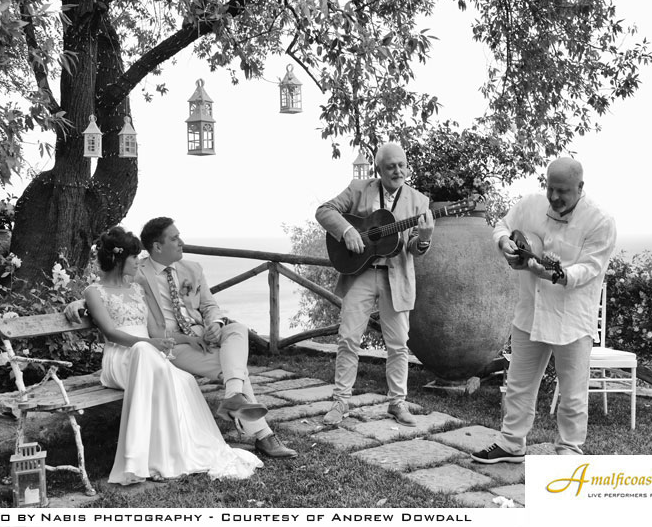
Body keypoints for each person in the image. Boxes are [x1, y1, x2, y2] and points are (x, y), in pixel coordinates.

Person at [66, 217, 297, 459]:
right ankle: (261, 433)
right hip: (172, 344)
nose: (181, 242)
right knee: (235, 370)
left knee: (237, 329)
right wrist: (80, 302)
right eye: (174, 239)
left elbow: (210, 306)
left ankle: (233, 397)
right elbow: (111, 290)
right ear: (157, 247)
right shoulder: (138, 271)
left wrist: (215, 325)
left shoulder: (193, 269)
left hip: (202, 337)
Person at [83, 226, 263, 484]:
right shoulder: (94, 292)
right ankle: (138, 460)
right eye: (134, 258)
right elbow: (111, 333)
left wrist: (181, 339)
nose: (137, 262)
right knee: (146, 352)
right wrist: (149, 343)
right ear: (119, 260)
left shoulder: (136, 289)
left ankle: (173, 454)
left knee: (183, 380)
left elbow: (157, 330)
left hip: (149, 354)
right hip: (121, 358)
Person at [471, 157, 617, 463]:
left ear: (580, 187)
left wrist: (554, 275)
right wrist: (504, 244)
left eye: (562, 191)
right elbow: (502, 227)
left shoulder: (600, 221)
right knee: (518, 385)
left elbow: (590, 268)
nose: (554, 197)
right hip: (530, 312)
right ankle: (512, 443)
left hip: (572, 319)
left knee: (573, 395)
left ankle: (569, 452)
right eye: (550, 188)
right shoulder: (529, 205)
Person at [315, 142, 435, 427]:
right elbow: (324, 210)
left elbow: (416, 249)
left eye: (402, 165)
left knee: (398, 344)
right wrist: (346, 231)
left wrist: (426, 238)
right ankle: (340, 401)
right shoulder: (359, 188)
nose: (398, 171)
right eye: (391, 166)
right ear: (378, 169)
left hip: (397, 277)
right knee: (348, 338)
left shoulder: (420, 201)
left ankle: (398, 403)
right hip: (360, 273)